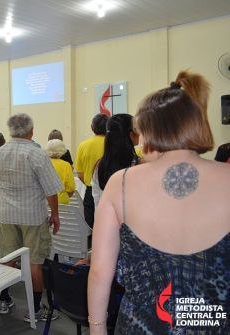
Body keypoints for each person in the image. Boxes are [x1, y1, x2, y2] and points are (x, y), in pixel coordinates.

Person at [87, 71, 230, 334]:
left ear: (152, 131)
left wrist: (97, 328)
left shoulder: (121, 182)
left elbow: (99, 273)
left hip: (141, 326)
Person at [0, 113, 63, 322]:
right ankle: (36, 308)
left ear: (10, 131)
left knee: (7, 258)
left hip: (6, 215)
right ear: (31, 131)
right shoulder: (37, 154)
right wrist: (55, 214)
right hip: (32, 215)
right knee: (35, 262)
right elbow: (51, 190)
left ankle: (3, 300)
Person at [91, 114, 141, 209]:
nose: (139, 133)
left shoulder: (99, 166)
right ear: (131, 135)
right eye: (137, 129)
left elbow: (97, 201)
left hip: (104, 220)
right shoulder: (139, 165)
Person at [74, 113, 109, 228]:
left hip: (90, 191)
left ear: (92, 127)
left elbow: (80, 175)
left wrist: (92, 184)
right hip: (110, 190)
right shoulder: (112, 144)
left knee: (90, 225)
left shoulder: (83, 145)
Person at [45, 139, 75, 205]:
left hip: (45, 201)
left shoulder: (43, 164)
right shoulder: (66, 165)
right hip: (62, 201)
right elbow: (71, 188)